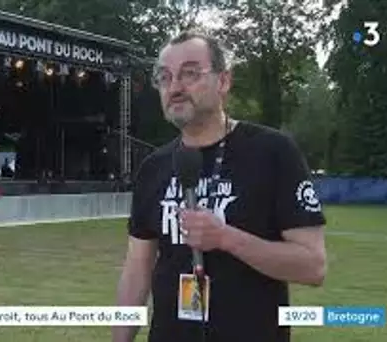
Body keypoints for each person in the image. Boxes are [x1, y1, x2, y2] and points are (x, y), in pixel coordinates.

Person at [113, 30, 327, 342]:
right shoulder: (154, 167)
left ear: (223, 81)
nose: (174, 87)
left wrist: (226, 237)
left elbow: (313, 267)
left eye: (189, 73)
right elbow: (137, 270)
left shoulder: (273, 152)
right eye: (165, 76)